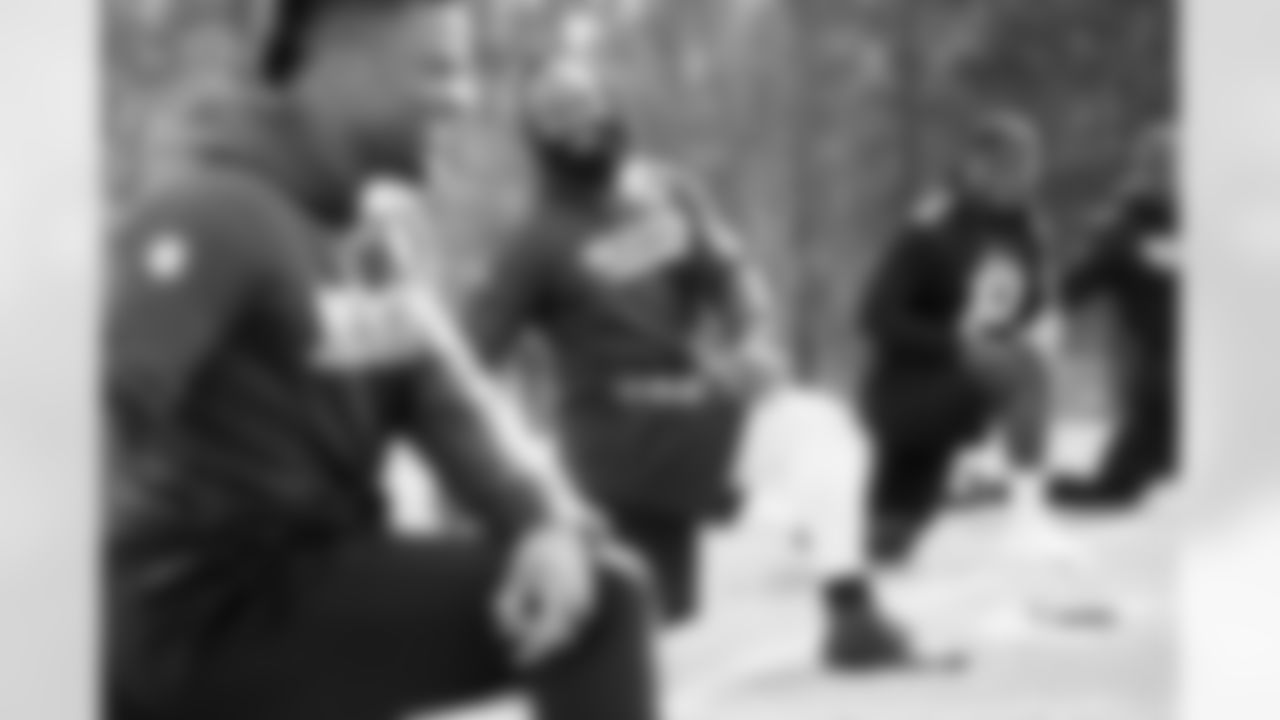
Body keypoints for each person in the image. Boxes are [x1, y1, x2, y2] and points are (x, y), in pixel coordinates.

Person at [105, 2, 662, 719]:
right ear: (347, 61)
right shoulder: (212, 214)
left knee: (584, 582)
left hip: (311, 582)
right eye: (437, 70)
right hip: (199, 608)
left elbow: (452, 407)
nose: (462, 98)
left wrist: (548, 522)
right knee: (607, 608)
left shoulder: (373, 243)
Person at [471, 62, 915, 669]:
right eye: (561, 122)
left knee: (659, 613)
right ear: (538, 141)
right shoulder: (534, 238)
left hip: (684, 410)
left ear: (612, 107)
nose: (582, 132)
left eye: (588, 110)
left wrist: (751, 335)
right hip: (617, 428)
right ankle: (848, 610)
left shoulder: (663, 191)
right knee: (816, 430)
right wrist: (496, 464)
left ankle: (822, 574)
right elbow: (469, 358)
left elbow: (729, 275)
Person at [858, 111, 1060, 567]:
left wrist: (1029, 330)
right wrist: (956, 343)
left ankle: (1026, 511)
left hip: (971, 388)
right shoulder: (933, 227)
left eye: (1029, 167)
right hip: (913, 389)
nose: (1022, 179)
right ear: (977, 167)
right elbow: (874, 317)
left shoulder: (1027, 228)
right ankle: (836, 515)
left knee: (1031, 361)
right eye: (1009, 167)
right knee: (885, 539)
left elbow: (1031, 305)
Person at [1055, 124, 1179, 509]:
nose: (1172, 175)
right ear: (1145, 171)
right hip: (1160, 372)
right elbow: (1073, 287)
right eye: (1161, 165)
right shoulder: (1125, 229)